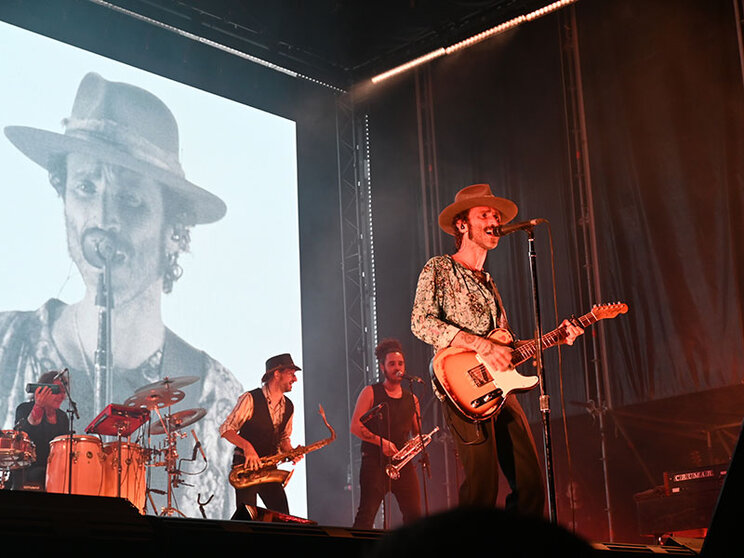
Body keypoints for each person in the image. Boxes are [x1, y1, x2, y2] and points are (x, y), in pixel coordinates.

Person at [0, 72, 243, 518]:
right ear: (64, 200)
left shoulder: (218, 395)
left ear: (174, 229)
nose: (103, 218)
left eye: (131, 200)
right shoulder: (4, 345)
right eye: (86, 188)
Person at [410, 183, 584, 516]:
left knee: (531, 483)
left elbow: (506, 346)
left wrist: (559, 336)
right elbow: (421, 322)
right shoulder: (439, 269)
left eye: (496, 215)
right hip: (461, 388)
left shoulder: (489, 283)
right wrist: (480, 345)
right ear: (463, 225)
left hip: (501, 390)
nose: (494, 220)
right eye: (485, 214)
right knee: (482, 487)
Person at [351, 338, 422, 529]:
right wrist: (381, 442)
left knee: (415, 516)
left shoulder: (412, 399)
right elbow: (355, 426)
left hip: (403, 464)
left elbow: (418, 433)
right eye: (392, 364)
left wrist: (416, 443)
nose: (397, 368)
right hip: (374, 462)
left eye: (400, 364)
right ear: (382, 367)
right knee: (366, 515)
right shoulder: (370, 392)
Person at [220, 353, 303, 516]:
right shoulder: (250, 398)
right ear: (277, 374)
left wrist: (291, 451)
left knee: (282, 517)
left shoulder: (289, 406)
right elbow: (226, 429)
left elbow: (284, 438)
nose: (295, 379)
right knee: (247, 517)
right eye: (291, 374)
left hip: (269, 467)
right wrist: (248, 448)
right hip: (246, 467)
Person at [9, 370, 70, 491]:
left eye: (64, 392)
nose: (61, 396)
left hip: (54, 469)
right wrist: (38, 407)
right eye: (57, 391)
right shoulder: (24, 409)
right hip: (27, 469)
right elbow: (22, 439)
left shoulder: (63, 417)